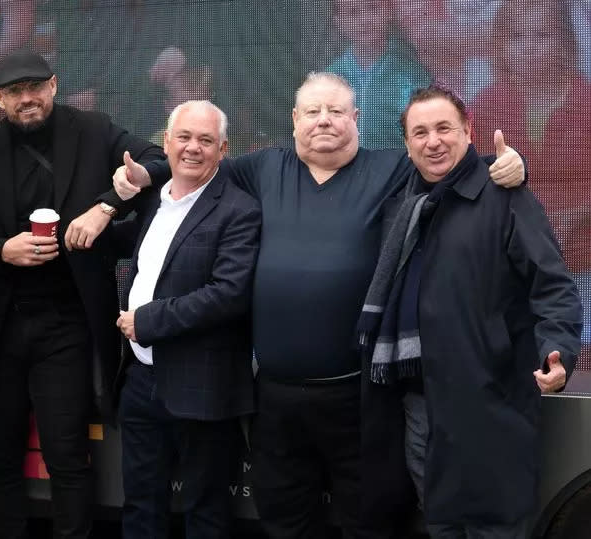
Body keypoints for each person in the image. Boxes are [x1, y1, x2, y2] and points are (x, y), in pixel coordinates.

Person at [113, 73, 525, 538]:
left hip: (358, 396)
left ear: (356, 118)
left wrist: (511, 164)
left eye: (335, 111)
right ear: (294, 120)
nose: (324, 121)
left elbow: (449, 164)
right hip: (274, 397)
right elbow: (197, 159)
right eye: (312, 111)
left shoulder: (392, 169)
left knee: (366, 519)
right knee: (284, 518)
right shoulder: (263, 168)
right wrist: (140, 178)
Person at [0, 49, 165, 539]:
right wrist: (2, 250)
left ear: (53, 86)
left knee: (67, 455)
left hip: (67, 324)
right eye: (15, 92)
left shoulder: (92, 130)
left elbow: (158, 161)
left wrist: (108, 205)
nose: (28, 100)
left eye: (36, 88)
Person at [359, 85, 582, 538]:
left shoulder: (505, 196)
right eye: (419, 132)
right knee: (439, 525)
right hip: (422, 412)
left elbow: (553, 287)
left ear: (468, 131)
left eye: (444, 128)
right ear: (406, 145)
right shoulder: (403, 207)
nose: (433, 141)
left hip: (491, 407)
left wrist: (557, 352)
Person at [114, 100, 261, 539]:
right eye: (184, 137)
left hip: (203, 384)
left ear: (223, 149)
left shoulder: (240, 210)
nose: (193, 148)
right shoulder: (150, 204)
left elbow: (228, 293)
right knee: (140, 506)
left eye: (205, 140)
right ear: (166, 143)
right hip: (140, 381)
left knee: (206, 512)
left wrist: (149, 321)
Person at [470, 0, 591, 365]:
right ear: (500, 45)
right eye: (517, 36)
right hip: (511, 266)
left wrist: (580, 214)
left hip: (584, 262)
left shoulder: (587, 101)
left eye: (542, 34)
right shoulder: (487, 104)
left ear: (564, 41)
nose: (530, 46)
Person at [326, 0, 430, 149]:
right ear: (339, 21)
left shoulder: (411, 73)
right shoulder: (330, 77)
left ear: (388, 12)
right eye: (353, 12)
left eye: (373, 8)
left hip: (396, 168)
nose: (364, 19)